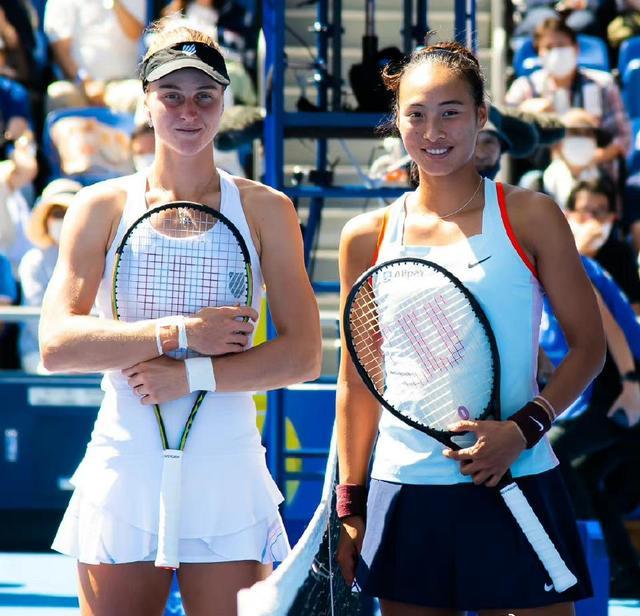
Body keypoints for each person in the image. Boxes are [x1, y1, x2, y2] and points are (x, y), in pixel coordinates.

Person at [39, 22, 321, 616]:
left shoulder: (268, 210)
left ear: (224, 103)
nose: (188, 111)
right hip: (125, 463)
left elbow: (303, 357)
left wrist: (190, 374)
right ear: (146, 102)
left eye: (204, 96)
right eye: (172, 95)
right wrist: (184, 333)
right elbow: (57, 344)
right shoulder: (99, 206)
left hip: (227, 466)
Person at [335, 39, 605, 615]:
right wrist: (350, 506)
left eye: (451, 112)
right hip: (406, 489)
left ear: (481, 116)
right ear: (396, 122)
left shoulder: (532, 215)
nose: (433, 131)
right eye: (416, 114)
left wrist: (522, 431)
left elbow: (589, 349)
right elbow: (357, 382)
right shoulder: (365, 237)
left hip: (521, 474)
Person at [18, 178, 81, 373]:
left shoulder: (100, 257)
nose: (62, 219)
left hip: (88, 353)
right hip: (39, 352)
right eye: (56, 214)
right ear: (46, 219)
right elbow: (34, 318)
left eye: (67, 212)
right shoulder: (33, 261)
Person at [43, 0, 145, 114]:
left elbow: (136, 33)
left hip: (122, 84)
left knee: (144, 98)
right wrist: (85, 82)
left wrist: (115, 3)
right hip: (78, 85)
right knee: (59, 94)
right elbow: (61, 51)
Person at [565, 178, 640, 312]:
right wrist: (580, 251)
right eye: (584, 211)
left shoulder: (621, 253)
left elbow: (635, 308)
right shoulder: (552, 249)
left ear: (612, 217)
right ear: (568, 215)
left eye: (600, 211)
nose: (592, 220)